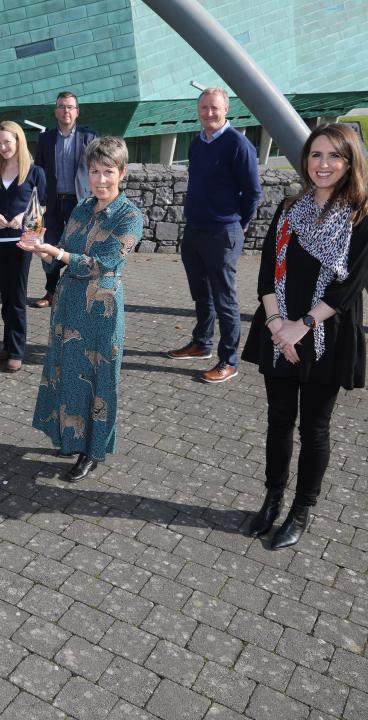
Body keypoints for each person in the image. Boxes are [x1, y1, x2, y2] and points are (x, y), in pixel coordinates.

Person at [241, 123, 368, 549]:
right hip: (280, 332)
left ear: (350, 162)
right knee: (278, 422)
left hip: (325, 336)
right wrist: (278, 327)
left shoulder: (360, 216)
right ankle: (273, 497)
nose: (324, 164)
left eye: (334, 156)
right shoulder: (289, 209)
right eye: (316, 155)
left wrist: (303, 326)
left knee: (314, 428)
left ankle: (302, 509)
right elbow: (265, 273)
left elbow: (347, 289)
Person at [18, 137, 143, 481]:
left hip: (101, 312)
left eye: (108, 172)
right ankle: (70, 438)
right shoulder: (82, 208)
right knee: (69, 374)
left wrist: (55, 254)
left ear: (122, 173)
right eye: (94, 172)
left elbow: (102, 263)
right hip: (70, 305)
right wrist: (41, 251)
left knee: (100, 381)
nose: (101, 180)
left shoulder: (131, 217)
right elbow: (62, 254)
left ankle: (92, 450)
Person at [167, 88, 262, 383]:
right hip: (195, 230)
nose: (209, 113)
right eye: (204, 108)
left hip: (223, 233)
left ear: (226, 110)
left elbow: (253, 193)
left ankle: (228, 361)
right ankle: (201, 344)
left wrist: (236, 224)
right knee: (201, 295)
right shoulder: (197, 144)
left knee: (225, 300)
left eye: (215, 108)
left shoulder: (238, 145)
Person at [0, 120, 47, 372]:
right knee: (6, 297)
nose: (3, 147)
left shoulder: (35, 172)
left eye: (7, 141)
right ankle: (8, 344)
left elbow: (43, 205)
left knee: (17, 297)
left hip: (21, 243)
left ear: (18, 140)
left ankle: (17, 351)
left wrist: (23, 216)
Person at [33, 91, 98, 309]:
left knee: (79, 248)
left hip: (79, 203)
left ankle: (77, 294)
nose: (66, 111)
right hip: (51, 203)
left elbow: (96, 171)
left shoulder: (90, 138)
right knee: (48, 246)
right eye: (62, 106)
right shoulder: (45, 139)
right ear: (56, 111)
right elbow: (38, 172)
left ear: (77, 112)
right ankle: (51, 292)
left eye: (70, 107)